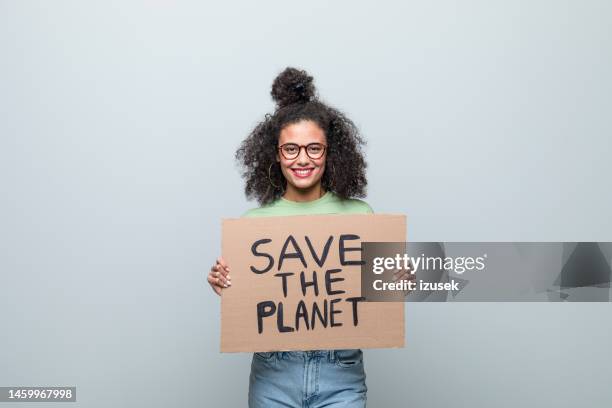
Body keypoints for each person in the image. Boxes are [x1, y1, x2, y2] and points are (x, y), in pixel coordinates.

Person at [208, 67, 389, 408]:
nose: (302, 159)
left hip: (341, 374)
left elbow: (374, 297)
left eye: (313, 149)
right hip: (275, 375)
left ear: (329, 153)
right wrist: (224, 282)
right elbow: (251, 299)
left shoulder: (360, 217)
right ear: (275, 155)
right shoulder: (253, 226)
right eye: (290, 149)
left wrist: (396, 281)